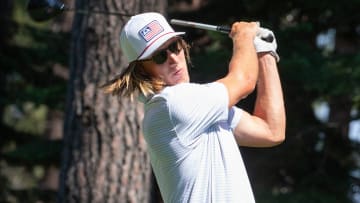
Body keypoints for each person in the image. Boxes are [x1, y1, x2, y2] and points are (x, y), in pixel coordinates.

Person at [102, 12, 286, 203]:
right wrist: (245, 36)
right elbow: (244, 81)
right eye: (159, 57)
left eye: (174, 46)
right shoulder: (171, 105)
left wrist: (265, 53)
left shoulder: (200, 109)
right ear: (141, 71)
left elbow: (271, 130)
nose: (173, 58)